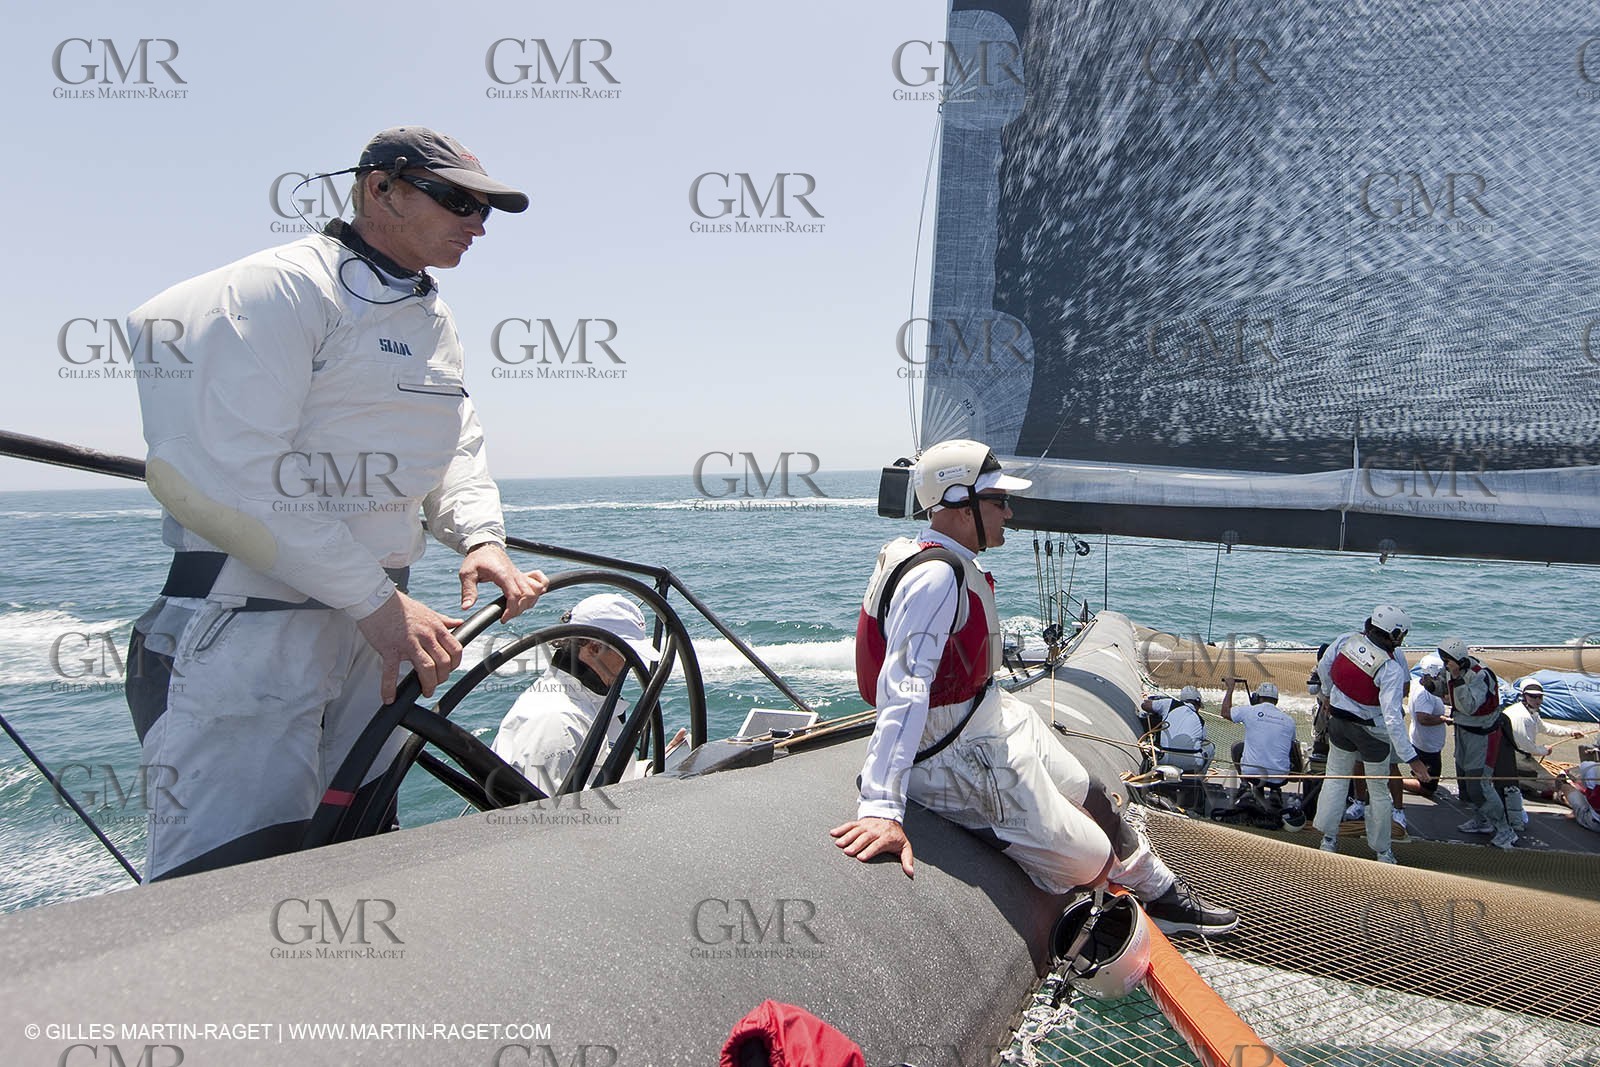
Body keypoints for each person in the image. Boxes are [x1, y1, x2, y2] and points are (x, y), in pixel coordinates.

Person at [124, 127, 547, 880]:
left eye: (486, 208)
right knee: (225, 884)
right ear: (379, 188)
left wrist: (479, 536)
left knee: (349, 859)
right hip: (251, 630)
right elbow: (229, 472)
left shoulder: (433, 320)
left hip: (378, 633)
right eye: (458, 200)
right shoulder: (276, 289)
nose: (478, 224)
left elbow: (453, 443)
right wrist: (376, 601)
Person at [831, 439, 1238, 936]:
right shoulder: (936, 579)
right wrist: (881, 808)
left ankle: (1161, 893)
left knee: (1091, 793)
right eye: (998, 501)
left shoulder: (937, 558)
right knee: (1086, 856)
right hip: (946, 752)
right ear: (959, 504)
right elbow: (904, 689)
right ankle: (1089, 893)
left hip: (985, 714)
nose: (1008, 512)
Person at [491, 593, 662, 791]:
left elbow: (598, 776)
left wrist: (652, 769)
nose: (631, 664)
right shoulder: (557, 722)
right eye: (626, 653)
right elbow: (553, 817)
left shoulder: (587, 704)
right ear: (594, 648)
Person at [1312, 606, 1434, 863]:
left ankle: (1328, 839)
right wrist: (1412, 759)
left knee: (1335, 780)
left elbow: (1324, 668)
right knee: (1378, 791)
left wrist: (1326, 695)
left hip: (1339, 724)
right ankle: (1382, 850)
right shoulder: (1389, 668)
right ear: (1394, 635)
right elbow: (1392, 718)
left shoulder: (1346, 640)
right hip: (1371, 733)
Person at [1438, 637, 1515, 849]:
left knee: (1480, 783)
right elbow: (1445, 690)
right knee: (1466, 779)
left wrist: (1456, 678)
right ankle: (1481, 821)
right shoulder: (1450, 670)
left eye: (1448, 660)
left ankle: (1505, 830)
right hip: (1464, 730)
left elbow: (1470, 705)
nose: (1445, 664)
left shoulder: (1481, 675)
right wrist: (1432, 686)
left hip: (1482, 736)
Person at [1219, 679, 1300, 812]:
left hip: (1253, 775)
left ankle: (1245, 785)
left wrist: (1230, 688)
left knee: (1237, 747)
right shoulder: (1289, 720)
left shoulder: (1250, 711)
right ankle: (1275, 791)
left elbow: (1225, 712)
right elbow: (1291, 746)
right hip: (1279, 778)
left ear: (1258, 697)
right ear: (1276, 701)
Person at [1403, 656, 1451, 798]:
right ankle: (1391, 782)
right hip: (1427, 746)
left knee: (1425, 775)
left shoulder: (1421, 684)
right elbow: (1423, 718)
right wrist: (1444, 719)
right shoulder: (1425, 692)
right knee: (1428, 789)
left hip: (1424, 741)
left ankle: (1415, 776)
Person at [1556, 761, 1600, 833]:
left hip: (1595, 821)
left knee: (1567, 788)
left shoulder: (1591, 768)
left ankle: (1562, 788)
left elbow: (1594, 802)